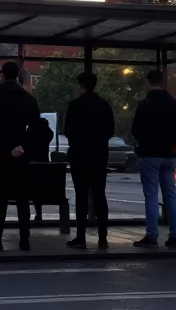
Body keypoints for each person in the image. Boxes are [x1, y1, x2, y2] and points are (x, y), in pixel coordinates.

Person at [0, 61, 40, 251]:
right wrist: (22, 146)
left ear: (2, 74)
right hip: (21, 155)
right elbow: (35, 128)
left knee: (0, 199)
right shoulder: (27, 98)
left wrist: (7, 148)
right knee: (22, 199)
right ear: (17, 75)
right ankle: (25, 239)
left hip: (1, 154)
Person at [131, 69, 176, 249]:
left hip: (149, 154)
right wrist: (173, 143)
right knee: (171, 195)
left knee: (151, 196)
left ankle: (152, 235)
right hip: (169, 154)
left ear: (148, 82)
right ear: (162, 82)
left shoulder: (145, 104)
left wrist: (144, 144)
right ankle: (174, 235)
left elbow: (136, 130)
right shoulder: (173, 103)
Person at [64, 71, 116, 249]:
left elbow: (68, 131)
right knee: (100, 195)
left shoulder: (75, 105)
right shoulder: (104, 105)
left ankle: (81, 237)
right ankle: (103, 237)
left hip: (80, 155)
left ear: (81, 85)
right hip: (99, 155)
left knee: (81, 196)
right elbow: (110, 131)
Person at [28, 116, 54, 221]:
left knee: (33, 189)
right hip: (44, 162)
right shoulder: (48, 135)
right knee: (40, 189)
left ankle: (37, 214)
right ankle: (39, 213)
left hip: (32, 162)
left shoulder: (31, 134)